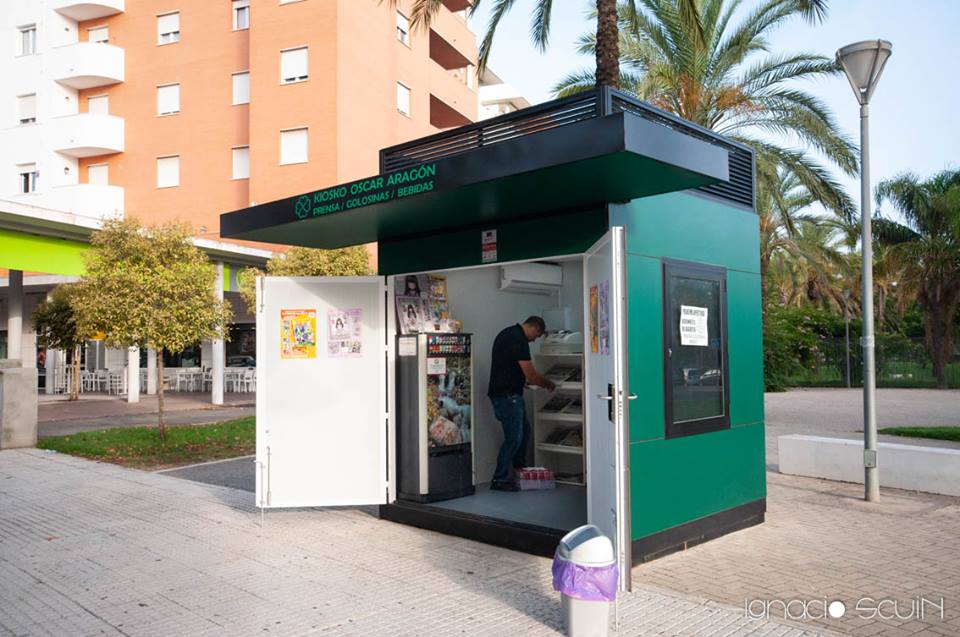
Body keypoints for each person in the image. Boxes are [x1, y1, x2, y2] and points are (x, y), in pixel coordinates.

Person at [487, 316, 556, 491]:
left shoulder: (506, 333)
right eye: (537, 336)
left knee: (524, 432)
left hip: (504, 393)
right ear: (535, 329)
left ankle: (520, 471)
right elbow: (531, 375)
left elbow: (506, 366)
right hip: (508, 397)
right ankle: (499, 478)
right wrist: (549, 384)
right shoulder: (519, 340)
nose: (534, 340)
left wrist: (519, 382)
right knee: (514, 438)